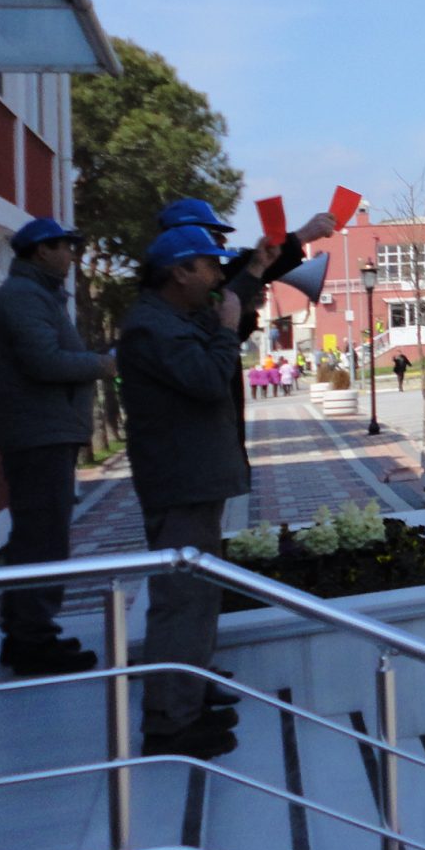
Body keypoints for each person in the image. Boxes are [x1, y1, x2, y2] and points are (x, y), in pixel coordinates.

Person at [119, 225, 257, 759]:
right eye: (208, 265)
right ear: (179, 271)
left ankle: (187, 698)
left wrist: (252, 277)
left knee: (198, 596)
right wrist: (225, 329)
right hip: (181, 481)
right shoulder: (152, 329)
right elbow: (205, 378)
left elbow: (213, 333)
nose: (217, 275)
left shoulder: (169, 318)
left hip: (193, 476)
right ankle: (169, 723)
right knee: (181, 601)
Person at [0, 217, 117, 677]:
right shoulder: (23, 297)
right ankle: (31, 639)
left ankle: (28, 632)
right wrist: (104, 364)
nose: (72, 254)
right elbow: (44, 361)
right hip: (37, 434)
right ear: (41, 250)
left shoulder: (37, 295)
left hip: (45, 432)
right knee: (41, 537)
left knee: (41, 534)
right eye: (66, 246)